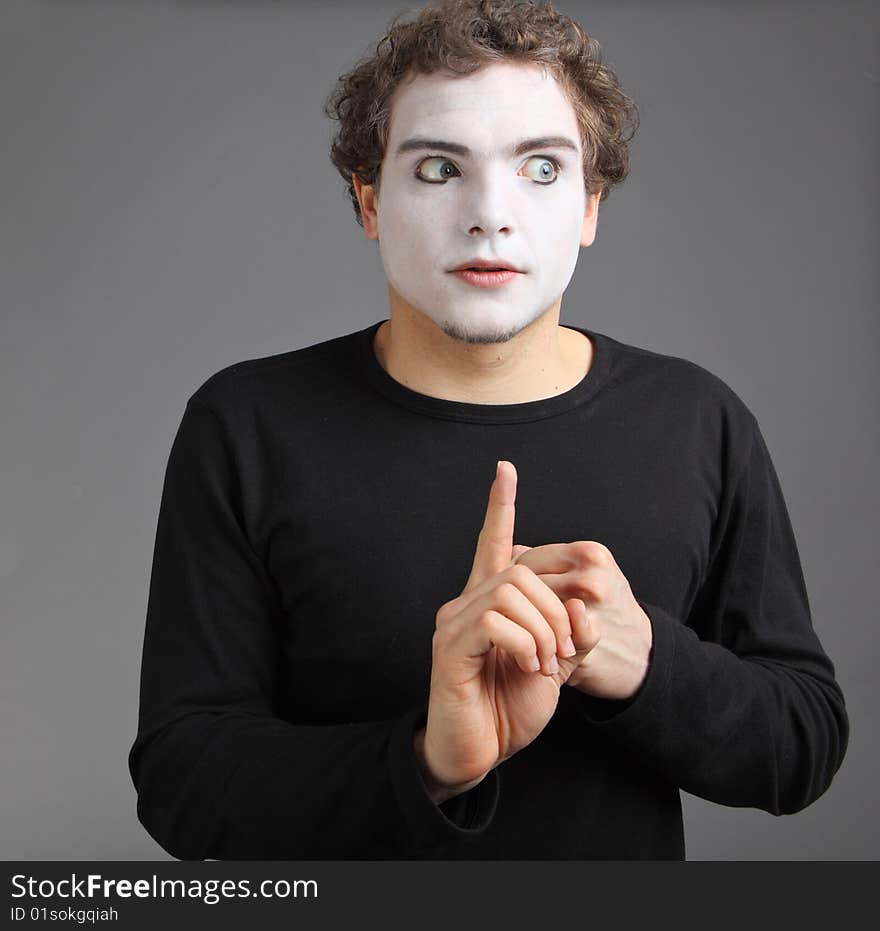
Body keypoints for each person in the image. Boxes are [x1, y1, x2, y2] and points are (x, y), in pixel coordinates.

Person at [128, 0, 849, 860]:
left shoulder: (699, 419)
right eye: (439, 169)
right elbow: (182, 785)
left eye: (541, 168)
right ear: (368, 198)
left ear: (590, 203)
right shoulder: (245, 426)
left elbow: (801, 745)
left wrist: (649, 664)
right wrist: (429, 758)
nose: (490, 214)